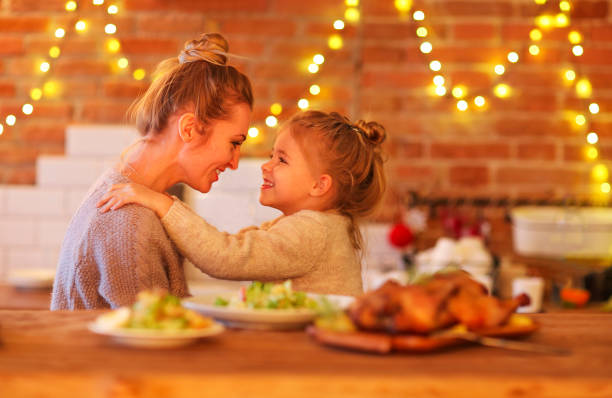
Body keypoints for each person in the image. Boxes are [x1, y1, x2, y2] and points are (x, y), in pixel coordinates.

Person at [51, 33, 253, 310]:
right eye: (234, 143)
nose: (234, 163)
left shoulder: (133, 195)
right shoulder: (130, 224)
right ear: (189, 129)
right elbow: (152, 344)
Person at [97, 110, 387, 296]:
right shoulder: (319, 226)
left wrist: (163, 204)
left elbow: (226, 257)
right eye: (272, 155)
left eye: (282, 159)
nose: (266, 166)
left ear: (319, 185)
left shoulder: (313, 231)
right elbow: (236, 244)